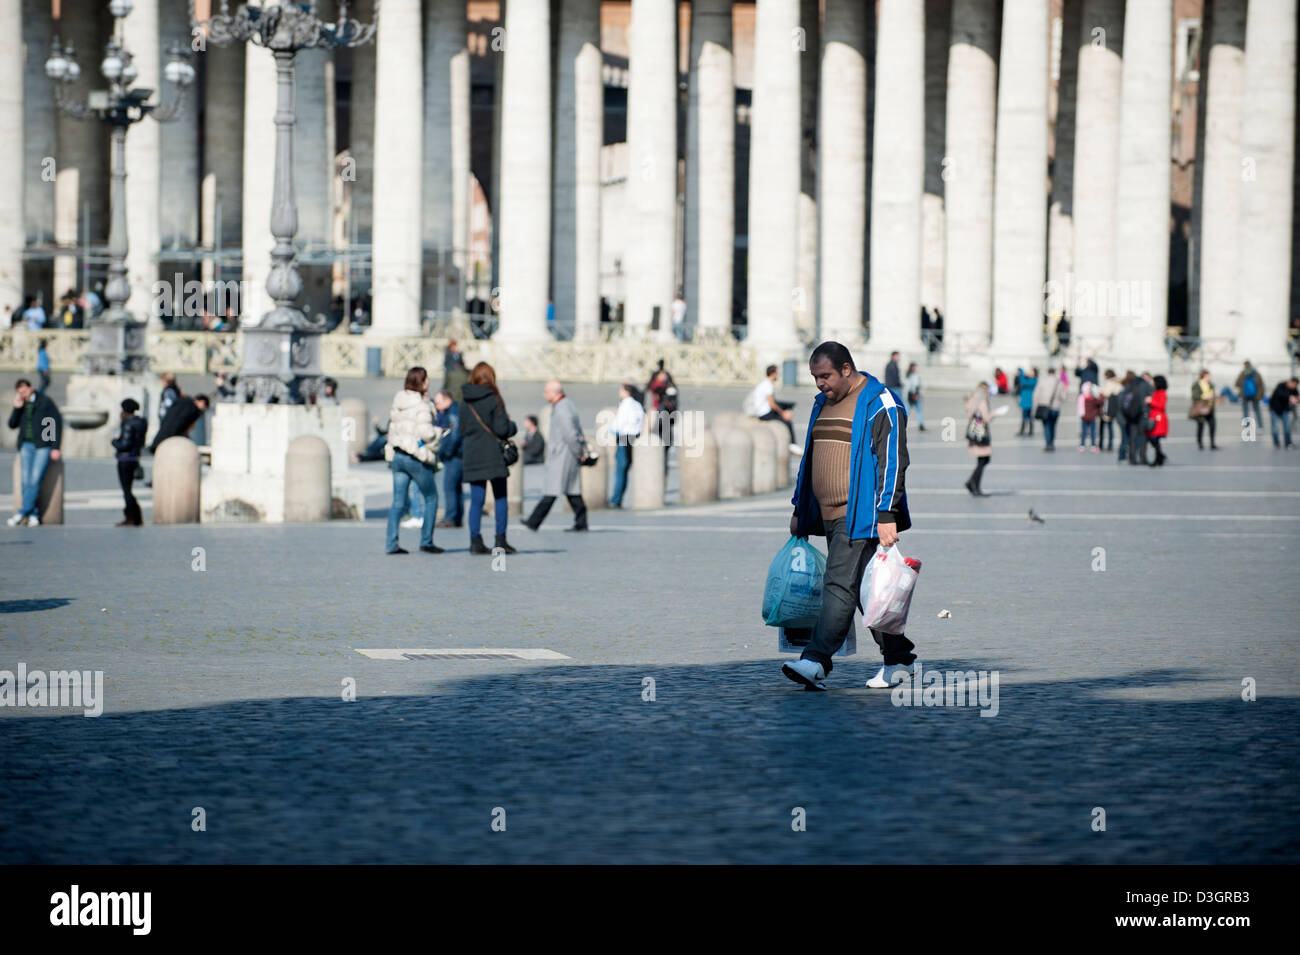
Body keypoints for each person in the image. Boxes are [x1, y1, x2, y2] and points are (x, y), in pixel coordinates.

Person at [781, 341, 918, 692]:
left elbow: (893, 461)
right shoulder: (821, 403)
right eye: (814, 377)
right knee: (867, 592)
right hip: (827, 513)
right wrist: (801, 509)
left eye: (824, 375)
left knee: (839, 582)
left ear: (846, 369)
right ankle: (898, 659)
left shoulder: (880, 403)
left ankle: (816, 660)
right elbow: (810, 458)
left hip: (861, 513)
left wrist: (886, 513)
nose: (819, 383)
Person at [383, 367, 444, 555]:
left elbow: (392, 427)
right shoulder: (421, 404)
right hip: (415, 456)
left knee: (397, 503)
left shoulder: (398, 400)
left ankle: (391, 544)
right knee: (432, 497)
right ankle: (426, 541)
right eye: (426, 379)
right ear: (422, 382)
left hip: (398, 455)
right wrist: (439, 432)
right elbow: (426, 433)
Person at [460, 361, 518, 554]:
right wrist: (513, 426)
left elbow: (462, 429)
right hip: (493, 454)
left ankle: (475, 541)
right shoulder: (495, 399)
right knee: (500, 497)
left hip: (472, 453)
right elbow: (502, 429)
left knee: (476, 500)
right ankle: (500, 541)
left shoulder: (465, 400)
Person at [523, 380, 590, 533]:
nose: (544, 394)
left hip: (563, 455)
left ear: (555, 392)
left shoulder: (562, 408)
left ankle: (534, 521)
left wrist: (578, 451)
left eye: (546, 391)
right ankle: (581, 521)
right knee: (572, 491)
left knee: (552, 490)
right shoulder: (567, 404)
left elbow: (570, 433)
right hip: (566, 454)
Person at [7, 379, 62, 527]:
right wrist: (17, 408)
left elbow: (54, 421)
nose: (22, 394)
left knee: (35, 479)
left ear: (30, 388)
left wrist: (55, 446)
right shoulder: (22, 404)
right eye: (20, 392)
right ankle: (33, 515)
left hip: (43, 445)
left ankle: (22, 512)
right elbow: (12, 424)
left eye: (24, 391)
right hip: (26, 444)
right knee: (25, 481)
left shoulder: (44, 401)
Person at [746, 363, 802, 454]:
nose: (778, 375)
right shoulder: (768, 385)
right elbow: (772, 405)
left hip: (760, 412)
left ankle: (792, 444)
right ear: (773, 374)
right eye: (777, 373)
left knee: (786, 407)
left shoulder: (764, 383)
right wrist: (783, 413)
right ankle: (792, 444)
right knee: (787, 421)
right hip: (764, 414)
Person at [111, 398, 147, 527]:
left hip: (124, 459)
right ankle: (135, 516)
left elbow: (124, 444)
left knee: (126, 490)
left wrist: (114, 442)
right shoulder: (142, 422)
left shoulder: (127, 423)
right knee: (129, 489)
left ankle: (132, 517)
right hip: (135, 458)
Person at [609, 382, 644, 508]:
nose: (619, 393)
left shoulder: (625, 404)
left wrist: (611, 430)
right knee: (625, 469)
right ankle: (618, 497)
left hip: (624, 437)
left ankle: (615, 499)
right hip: (634, 438)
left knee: (620, 470)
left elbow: (619, 423)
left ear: (626, 392)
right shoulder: (637, 405)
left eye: (621, 390)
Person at [433, 389, 465, 527]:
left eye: (438, 402)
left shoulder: (452, 413)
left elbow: (454, 435)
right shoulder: (453, 411)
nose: (436, 406)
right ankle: (456, 517)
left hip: (455, 456)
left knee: (449, 486)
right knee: (456, 487)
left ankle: (451, 517)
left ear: (447, 400)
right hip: (458, 454)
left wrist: (446, 452)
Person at [965, 381, 994, 496]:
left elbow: (969, 413)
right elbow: (986, 417)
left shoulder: (972, 398)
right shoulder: (982, 399)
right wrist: (995, 413)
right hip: (981, 433)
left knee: (982, 460)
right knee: (983, 460)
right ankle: (973, 484)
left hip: (973, 432)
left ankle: (973, 483)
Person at [1032, 366, 1067, 451]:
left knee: (1046, 426)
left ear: (1048, 372)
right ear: (1054, 372)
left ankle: (1048, 444)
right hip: (1055, 408)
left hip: (1044, 406)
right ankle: (1051, 442)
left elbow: (1036, 395)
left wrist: (1035, 407)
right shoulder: (1059, 383)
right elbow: (1064, 396)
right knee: (1053, 426)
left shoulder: (1042, 381)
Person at [1190, 368, 1219, 451]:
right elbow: (1194, 396)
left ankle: (1212, 443)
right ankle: (1200, 443)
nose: (1209, 377)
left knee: (1212, 425)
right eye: (1207, 376)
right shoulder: (1196, 385)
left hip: (1210, 408)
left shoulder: (1211, 385)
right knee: (1200, 426)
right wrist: (1204, 396)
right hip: (1201, 409)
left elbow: (1213, 394)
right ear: (1203, 376)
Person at [1267, 377, 1299, 448]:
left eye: (1295, 385)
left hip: (1285, 409)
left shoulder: (1294, 389)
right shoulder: (1281, 385)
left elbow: (1297, 397)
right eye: (1294, 384)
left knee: (1287, 427)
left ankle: (1288, 443)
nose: (1294, 387)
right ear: (1290, 382)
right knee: (1275, 427)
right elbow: (1280, 394)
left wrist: (1297, 399)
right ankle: (1276, 443)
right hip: (1275, 409)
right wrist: (1290, 397)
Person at [1144, 375, 1169, 467]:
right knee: (1153, 439)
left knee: (1155, 438)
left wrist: (1151, 401)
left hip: (1159, 418)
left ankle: (1158, 458)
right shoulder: (1157, 392)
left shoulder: (1162, 393)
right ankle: (1159, 456)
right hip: (1154, 417)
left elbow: (1162, 405)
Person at [1235, 360, 1265, 427]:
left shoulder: (1242, 374)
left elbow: (1236, 384)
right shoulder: (1256, 374)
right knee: (1257, 411)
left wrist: (1243, 385)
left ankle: (1246, 426)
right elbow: (1261, 385)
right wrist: (1261, 395)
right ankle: (1260, 426)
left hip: (1245, 395)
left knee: (1246, 412)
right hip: (1255, 396)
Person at [1098, 369, 1122, 451]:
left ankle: (1101, 445)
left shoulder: (1110, 383)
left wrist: (1100, 391)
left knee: (1103, 427)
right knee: (1110, 428)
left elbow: (1105, 393)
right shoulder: (1118, 383)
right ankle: (1110, 445)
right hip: (1113, 409)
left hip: (1107, 408)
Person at [1078, 381, 1101, 452]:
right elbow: (1099, 403)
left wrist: (1081, 415)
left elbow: (1079, 407)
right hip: (1092, 417)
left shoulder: (1081, 397)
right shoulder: (1093, 398)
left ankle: (1082, 445)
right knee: (1093, 432)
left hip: (1084, 417)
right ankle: (1093, 445)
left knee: (1084, 432)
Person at [1017, 366, 1038, 437]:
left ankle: (1030, 431)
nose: (1029, 373)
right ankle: (1023, 430)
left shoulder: (1034, 380)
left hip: (1030, 401)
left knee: (1029, 417)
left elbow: (1023, 382)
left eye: (1031, 371)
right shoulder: (1029, 379)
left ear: (1034, 373)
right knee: (1024, 417)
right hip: (1025, 401)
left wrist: (1021, 373)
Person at [904, 362, 924, 432]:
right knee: (909, 410)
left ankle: (921, 424)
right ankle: (902, 423)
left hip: (912, 394)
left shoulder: (909, 375)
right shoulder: (912, 375)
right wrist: (915, 394)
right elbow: (915, 385)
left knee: (917, 410)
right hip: (914, 395)